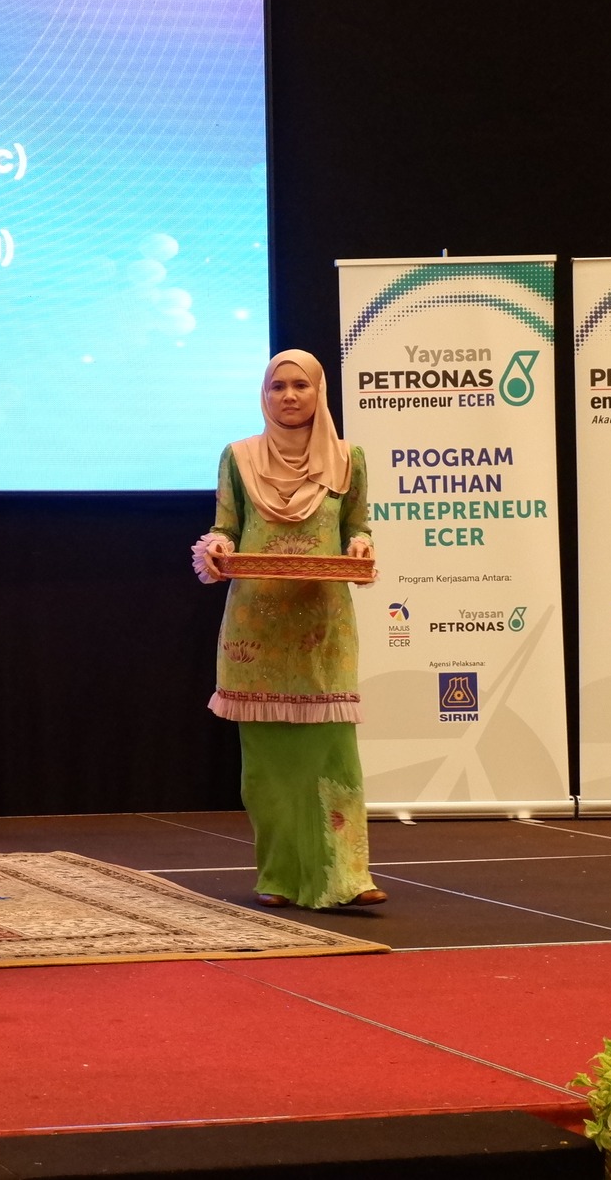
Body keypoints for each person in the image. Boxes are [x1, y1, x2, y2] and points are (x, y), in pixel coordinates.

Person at [190, 349, 386, 910]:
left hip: (322, 625)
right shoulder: (239, 456)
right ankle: (277, 877)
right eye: (278, 386)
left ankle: (347, 876)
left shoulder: (349, 458)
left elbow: (358, 526)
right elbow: (226, 527)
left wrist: (360, 548)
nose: (290, 396)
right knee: (268, 764)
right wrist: (218, 548)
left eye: (301, 385)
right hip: (257, 630)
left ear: (319, 392)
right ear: (265, 394)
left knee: (332, 752)